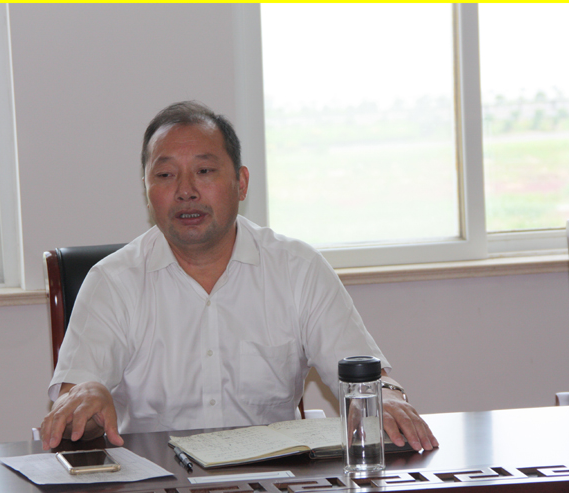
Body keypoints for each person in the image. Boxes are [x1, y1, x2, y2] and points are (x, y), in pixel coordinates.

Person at [41, 101, 438, 453]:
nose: (185, 191)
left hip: (275, 483)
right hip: (158, 484)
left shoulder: (297, 268)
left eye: (204, 171)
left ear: (241, 182)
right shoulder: (113, 282)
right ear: (147, 190)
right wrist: (86, 403)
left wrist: (386, 399)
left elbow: (363, 382)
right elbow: (76, 411)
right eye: (165, 175)